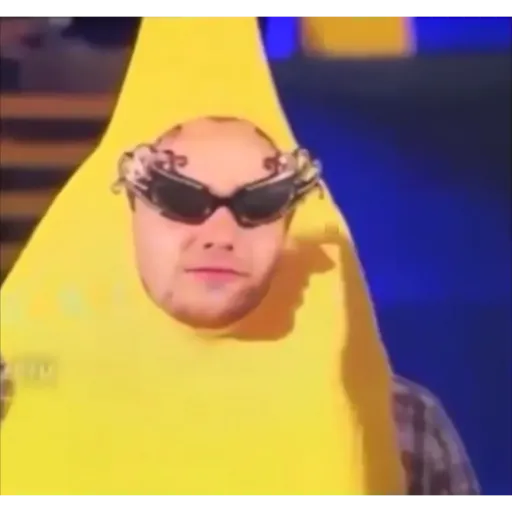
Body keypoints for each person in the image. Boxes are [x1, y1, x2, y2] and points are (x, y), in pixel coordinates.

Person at [0, 16, 475, 496]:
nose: (219, 235)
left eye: (259, 203)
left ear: (290, 221)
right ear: (129, 210)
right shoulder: (12, 393)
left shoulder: (401, 424)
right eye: (180, 198)